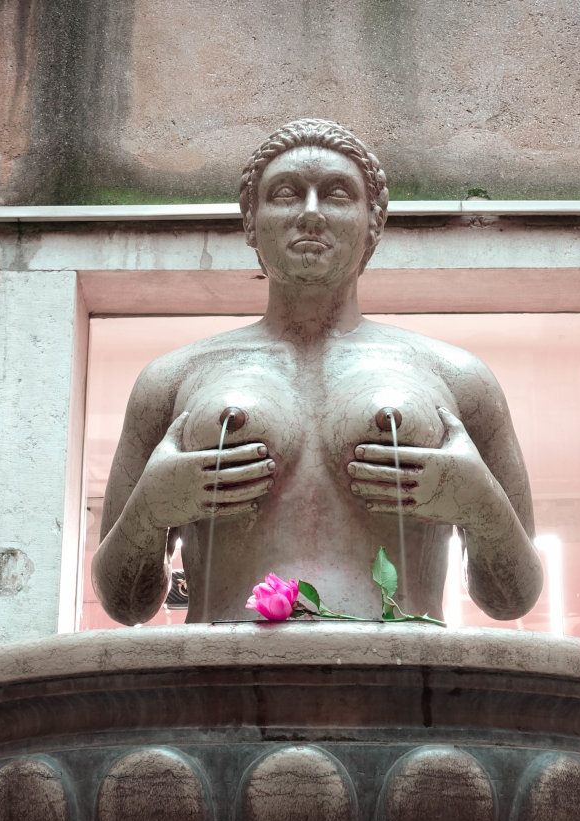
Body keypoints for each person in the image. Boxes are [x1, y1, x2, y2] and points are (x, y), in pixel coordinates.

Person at [93, 119, 542, 625]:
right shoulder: (174, 378)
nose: (310, 213)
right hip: (222, 686)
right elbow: (124, 605)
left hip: (400, 686)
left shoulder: (455, 376)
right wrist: (148, 512)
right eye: (285, 193)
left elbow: (512, 600)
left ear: (374, 221)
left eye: (336, 194)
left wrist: (483, 509)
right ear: (250, 219)